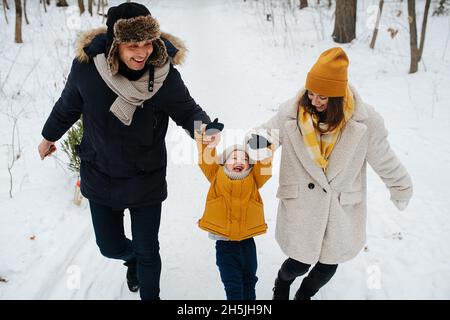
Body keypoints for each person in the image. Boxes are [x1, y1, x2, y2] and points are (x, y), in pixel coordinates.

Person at [37, 2, 219, 300]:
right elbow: (69, 103)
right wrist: (49, 136)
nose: (142, 52)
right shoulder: (87, 68)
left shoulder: (163, 72)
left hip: (145, 175)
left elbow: (186, 108)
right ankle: (129, 257)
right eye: (132, 44)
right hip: (100, 171)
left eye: (147, 43)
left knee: (149, 250)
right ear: (114, 45)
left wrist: (204, 129)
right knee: (109, 247)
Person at [256, 47, 413, 300]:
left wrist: (401, 187)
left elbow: (384, 159)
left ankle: (304, 295)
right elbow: (265, 136)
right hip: (302, 208)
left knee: (328, 266)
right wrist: (240, 151)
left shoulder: (365, 122)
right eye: (311, 93)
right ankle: (281, 283)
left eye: (323, 97)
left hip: (340, 209)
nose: (314, 101)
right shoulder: (293, 112)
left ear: (339, 98)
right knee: (298, 264)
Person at [195, 128, 273, 300]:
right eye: (234, 157)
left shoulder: (254, 178)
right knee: (234, 288)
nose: (240, 161)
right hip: (225, 245)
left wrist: (264, 150)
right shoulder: (215, 174)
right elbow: (205, 157)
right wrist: (206, 136)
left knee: (249, 282)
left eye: (245, 159)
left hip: (247, 243)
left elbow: (266, 169)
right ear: (223, 162)